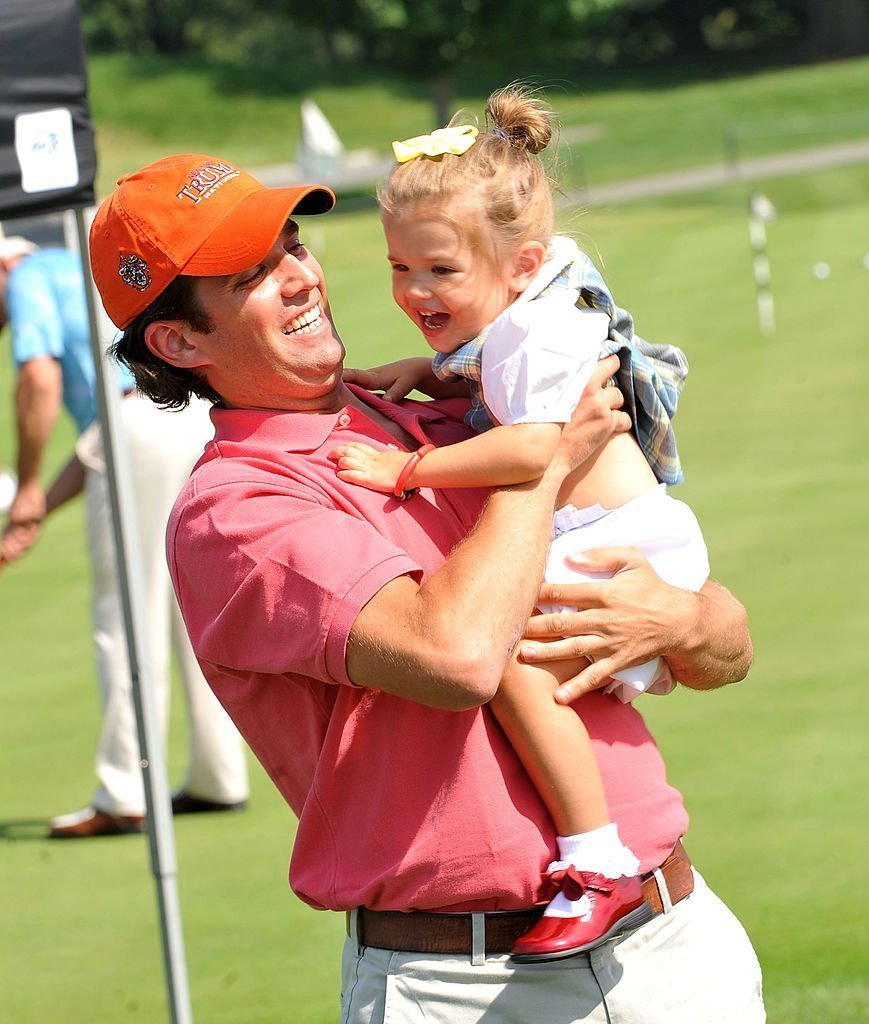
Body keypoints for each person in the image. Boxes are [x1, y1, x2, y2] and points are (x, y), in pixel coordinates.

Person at [89, 151, 764, 1022]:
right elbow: (458, 655)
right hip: (467, 984)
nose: (300, 278)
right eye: (253, 274)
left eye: (293, 247)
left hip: (673, 944)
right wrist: (545, 459)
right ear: (179, 341)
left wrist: (677, 617)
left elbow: (728, 646)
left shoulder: (452, 411)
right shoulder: (236, 509)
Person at [333, 86, 709, 959]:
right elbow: (485, 375)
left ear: (520, 261)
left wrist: (408, 467)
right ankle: (596, 852)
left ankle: (595, 859)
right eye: (399, 268)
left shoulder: (540, 336)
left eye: (439, 271)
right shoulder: (524, 305)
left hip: (618, 546)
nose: (414, 289)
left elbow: (532, 450)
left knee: (509, 665)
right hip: (604, 536)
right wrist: (427, 370)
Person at [0, 231, 249, 838]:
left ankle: (124, 790)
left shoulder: (27, 283)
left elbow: (39, 379)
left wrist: (27, 482)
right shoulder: (80, 268)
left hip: (137, 427)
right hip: (185, 414)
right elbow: (101, 441)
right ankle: (219, 776)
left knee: (125, 618)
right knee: (191, 601)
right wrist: (35, 511)